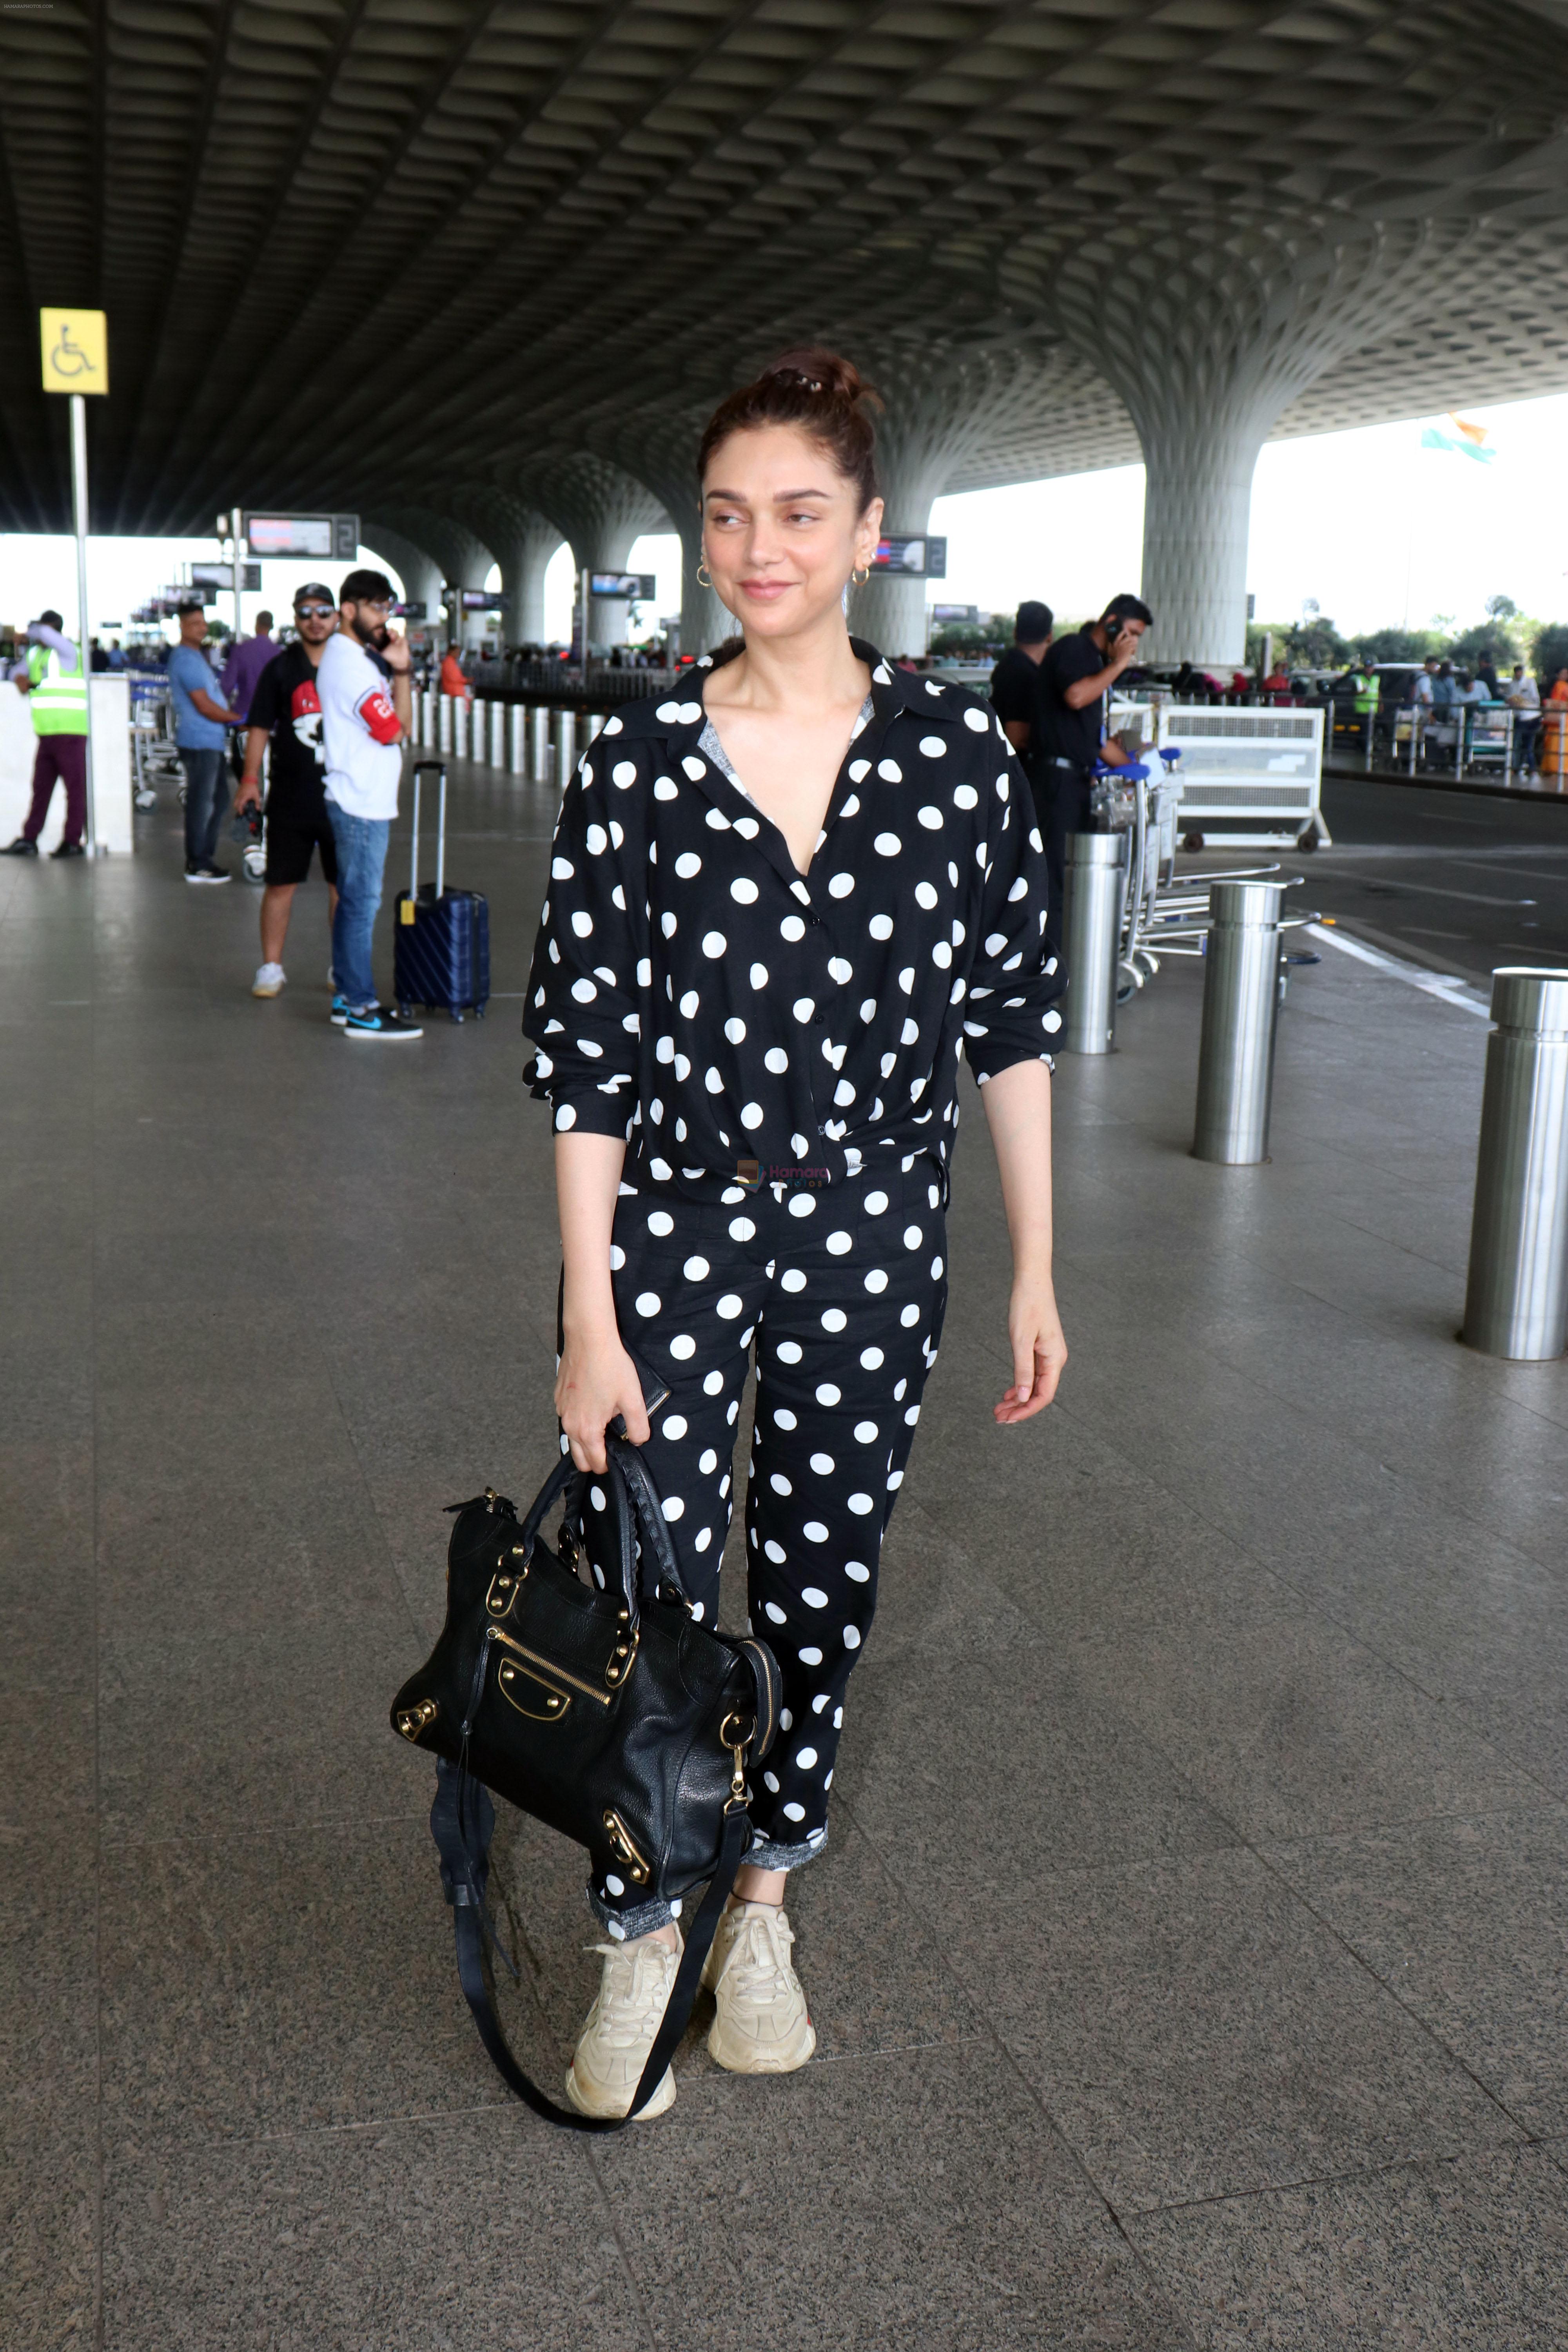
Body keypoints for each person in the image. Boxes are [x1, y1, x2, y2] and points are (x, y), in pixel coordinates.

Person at [525, 345, 1068, 2122]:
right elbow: (586, 1057)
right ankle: (637, 1921)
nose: (759, 548)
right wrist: (584, 1309)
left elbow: (1007, 1016)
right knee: (643, 1576)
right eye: (730, 515)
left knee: (821, 1578)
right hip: (674, 1221)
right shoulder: (644, 763)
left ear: (867, 532)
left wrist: (1033, 1263)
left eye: (798, 513)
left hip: (872, 1228)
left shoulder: (951, 758)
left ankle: (758, 1901)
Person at [317, 568, 422, 1039]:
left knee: (354, 903)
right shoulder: (349, 665)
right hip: (359, 802)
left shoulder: (359, 659)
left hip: (364, 797)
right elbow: (395, 731)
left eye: (388, 608)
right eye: (377, 607)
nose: (384, 618)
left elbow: (400, 727)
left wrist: (396, 667)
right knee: (361, 905)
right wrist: (401, 671)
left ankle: (346, 997)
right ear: (349, 609)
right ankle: (361, 1006)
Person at [234, 586, 340, 1000]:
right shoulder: (280, 669)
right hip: (291, 797)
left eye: (323, 611)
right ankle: (271, 966)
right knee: (280, 884)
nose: (315, 619)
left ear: (336, 617)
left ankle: (343, 966)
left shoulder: (351, 666)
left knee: (342, 888)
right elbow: (259, 726)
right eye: (305, 612)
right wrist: (248, 781)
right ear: (295, 619)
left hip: (343, 798)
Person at [1033, 595, 1151, 923]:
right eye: (1132, 632)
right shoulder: (1075, 648)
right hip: (1055, 781)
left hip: (1073, 781)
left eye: (1138, 636)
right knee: (1055, 878)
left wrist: (1130, 763)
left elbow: (1091, 735)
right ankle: (1048, 962)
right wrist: (1118, 665)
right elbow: (1075, 696)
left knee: (1068, 874)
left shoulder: (1094, 661)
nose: (1133, 643)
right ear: (1111, 622)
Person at [0, 612, 92, 858]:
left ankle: (72, 841)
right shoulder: (36, 654)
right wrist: (19, 677)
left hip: (71, 731)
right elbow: (13, 673)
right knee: (40, 789)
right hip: (46, 733)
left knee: (74, 789)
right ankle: (30, 839)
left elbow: (43, 633)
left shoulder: (68, 653)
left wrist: (26, 632)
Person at [167, 602, 241, 881]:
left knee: (219, 799)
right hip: (199, 742)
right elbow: (205, 706)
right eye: (196, 623)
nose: (203, 627)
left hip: (210, 741)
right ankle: (198, 863)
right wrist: (237, 719)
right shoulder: (185, 659)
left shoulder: (197, 657)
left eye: (203, 622)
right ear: (183, 627)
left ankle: (204, 858)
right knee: (203, 802)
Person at [988, 599, 1053, 762]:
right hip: (1018, 773)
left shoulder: (1009, 666)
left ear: (1015, 632)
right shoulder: (1024, 675)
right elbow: (1015, 736)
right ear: (1050, 636)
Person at [220, 610, 278, 733]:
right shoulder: (278, 653)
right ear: (272, 627)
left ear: (256, 625)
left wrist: (221, 710)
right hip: (272, 719)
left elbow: (227, 685)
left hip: (243, 718)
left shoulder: (241, 650)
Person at [1508, 662, 1541, 773]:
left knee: (1527, 744)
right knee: (1518, 743)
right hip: (1520, 717)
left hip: (1531, 716)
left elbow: (1535, 699)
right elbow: (1510, 698)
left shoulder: (1530, 682)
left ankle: (1528, 768)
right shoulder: (1513, 685)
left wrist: (1524, 702)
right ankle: (1519, 767)